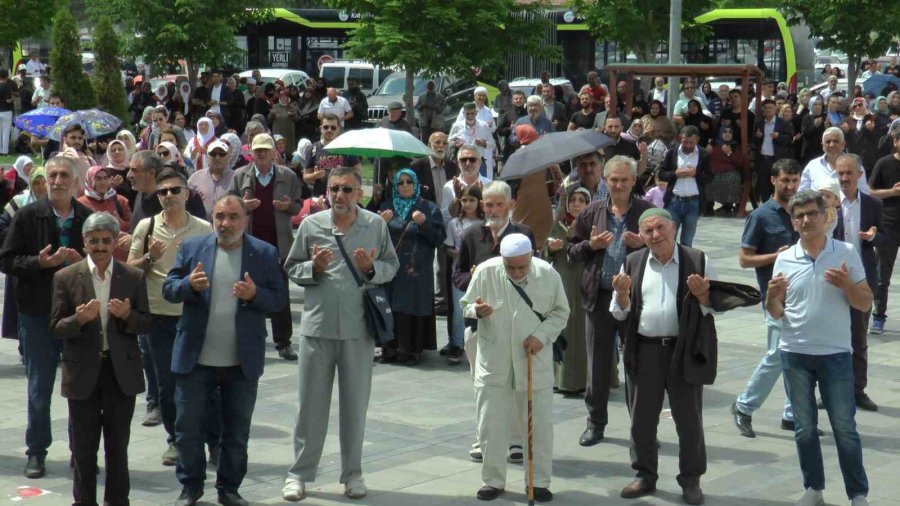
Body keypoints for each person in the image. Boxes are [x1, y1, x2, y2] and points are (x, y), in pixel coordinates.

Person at [282, 167, 400, 502]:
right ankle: (299, 474)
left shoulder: (375, 225)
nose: (340, 195)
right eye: (334, 188)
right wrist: (313, 268)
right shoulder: (311, 225)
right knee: (309, 407)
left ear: (359, 193)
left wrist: (370, 269)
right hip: (317, 328)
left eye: (347, 189)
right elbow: (291, 267)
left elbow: (391, 266)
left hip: (358, 329)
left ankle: (352, 474)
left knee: (354, 407)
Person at [162, 195, 287, 506]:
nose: (225, 223)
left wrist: (255, 294)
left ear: (245, 219)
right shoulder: (193, 248)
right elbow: (169, 289)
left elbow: (278, 300)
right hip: (196, 360)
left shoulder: (264, 253)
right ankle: (191, 487)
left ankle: (229, 489)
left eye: (233, 217)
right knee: (188, 429)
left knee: (236, 433)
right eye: (219, 217)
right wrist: (188, 284)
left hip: (240, 362)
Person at [766, 190, 871, 506]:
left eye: (812, 213)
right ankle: (813, 489)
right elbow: (776, 311)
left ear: (825, 217)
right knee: (804, 428)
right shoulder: (784, 258)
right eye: (799, 215)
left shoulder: (845, 252)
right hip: (794, 352)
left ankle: (857, 494)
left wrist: (847, 285)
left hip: (835, 354)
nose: (806, 220)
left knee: (844, 427)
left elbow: (865, 302)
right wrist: (771, 297)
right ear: (793, 222)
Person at [611, 208, 716, 505]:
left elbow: (715, 307)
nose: (655, 235)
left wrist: (703, 295)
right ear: (641, 236)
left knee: (689, 419)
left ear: (673, 228)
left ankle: (691, 479)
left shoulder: (698, 260)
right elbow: (619, 312)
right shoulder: (633, 262)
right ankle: (645, 474)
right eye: (648, 231)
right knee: (642, 418)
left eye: (660, 228)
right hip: (645, 350)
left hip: (683, 350)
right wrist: (622, 296)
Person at [50, 212, 151, 506]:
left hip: (120, 373)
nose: (100, 247)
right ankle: (84, 501)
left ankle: (117, 500)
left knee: (118, 447)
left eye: (106, 241)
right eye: (93, 241)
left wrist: (128, 316)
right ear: (84, 243)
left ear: (115, 242)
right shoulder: (66, 277)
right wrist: (78, 320)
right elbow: (55, 327)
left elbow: (146, 323)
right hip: (83, 372)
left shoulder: (133, 276)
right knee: (83, 449)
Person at [0, 156, 92, 478]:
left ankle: (80, 452)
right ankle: (36, 452)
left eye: (64, 175)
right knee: (39, 388)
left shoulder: (87, 217)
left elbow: (103, 262)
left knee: (80, 388)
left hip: (78, 314)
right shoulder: (28, 215)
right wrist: (39, 263)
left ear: (76, 181)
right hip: (38, 314)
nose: (57, 181)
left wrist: (83, 262)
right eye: (52, 175)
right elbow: (7, 260)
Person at [459, 233, 569, 502]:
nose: (517, 272)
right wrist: (476, 311)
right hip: (494, 361)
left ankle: (538, 482)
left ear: (531, 257)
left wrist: (541, 335)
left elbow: (561, 312)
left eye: (522, 266)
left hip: (532, 358)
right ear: (502, 260)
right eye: (511, 267)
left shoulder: (548, 274)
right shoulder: (486, 271)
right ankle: (493, 480)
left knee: (538, 426)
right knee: (490, 424)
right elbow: (465, 305)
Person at [128, 168, 214, 467]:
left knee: (201, 381)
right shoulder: (147, 226)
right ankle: (176, 440)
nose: (169, 196)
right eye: (163, 192)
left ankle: (209, 440)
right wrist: (150, 256)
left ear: (187, 194)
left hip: (194, 313)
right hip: (158, 315)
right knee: (167, 384)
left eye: (175, 190)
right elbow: (131, 269)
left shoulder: (204, 228)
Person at [568, 156, 654, 446]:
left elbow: (667, 249)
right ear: (605, 181)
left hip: (635, 299)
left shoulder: (647, 212)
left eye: (624, 180)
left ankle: (642, 429)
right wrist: (591, 245)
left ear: (633, 181)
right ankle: (595, 423)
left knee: (636, 365)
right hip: (600, 296)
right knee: (597, 364)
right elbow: (571, 250)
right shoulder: (592, 211)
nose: (618, 185)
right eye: (613, 179)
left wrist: (644, 244)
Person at [453, 180, 535, 463]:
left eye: (499, 204)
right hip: (480, 324)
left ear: (511, 205)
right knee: (482, 385)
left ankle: (515, 441)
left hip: (514, 325)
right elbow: (458, 275)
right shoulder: (471, 234)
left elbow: (533, 274)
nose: (493, 210)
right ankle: (483, 438)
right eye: (488, 204)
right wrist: (474, 278)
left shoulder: (523, 234)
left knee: (515, 383)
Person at [730, 159, 801, 438]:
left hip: (802, 298)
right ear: (773, 181)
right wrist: (776, 256)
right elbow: (744, 259)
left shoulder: (802, 212)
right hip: (774, 299)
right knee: (777, 355)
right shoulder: (760, 216)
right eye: (785, 180)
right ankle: (743, 406)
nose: (790, 186)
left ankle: (792, 415)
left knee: (798, 356)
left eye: (794, 180)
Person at [229, 133, 305, 361]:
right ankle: (248, 340)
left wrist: (288, 206)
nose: (261, 153)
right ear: (251, 153)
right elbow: (229, 206)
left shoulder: (288, 176)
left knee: (280, 296)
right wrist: (242, 205)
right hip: (249, 246)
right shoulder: (240, 175)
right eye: (257, 150)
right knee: (246, 295)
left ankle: (284, 342)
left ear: (274, 152)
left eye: (265, 150)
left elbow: (298, 205)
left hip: (278, 247)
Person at [376, 169, 445, 364]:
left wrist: (424, 223)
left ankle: (411, 349)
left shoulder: (428, 208)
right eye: (400, 182)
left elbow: (439, 238)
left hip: (416, 269)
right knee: (390, 306)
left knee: (411, 306)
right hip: (391, 267)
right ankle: (389, 348)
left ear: (416, 184)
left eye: (409, 182)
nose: (405, 186)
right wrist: (380, 223)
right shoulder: (386, 206)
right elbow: (372, 237)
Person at [834, 154, 882, 412]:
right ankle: (830, 390)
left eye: (848, 173)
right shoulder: (828, 203)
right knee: (832, 338)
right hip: (832, 279)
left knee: (858, 338)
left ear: (859, 175)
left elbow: (884, 236)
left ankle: (857, 390)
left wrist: (873, 236)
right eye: (840, 173)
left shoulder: (872, 204)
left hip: (861, 279)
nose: (844, 178)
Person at [545, 187, 591, 393]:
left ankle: (584, 379)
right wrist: (550, 249)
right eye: (573, 200)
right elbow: (542, 255)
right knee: (562, 327)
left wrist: (577, 240)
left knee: (583, 330)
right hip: (562, 281)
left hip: (585, 282)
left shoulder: (592, 226)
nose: (576, 204)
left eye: (582, 200)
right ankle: (561, 379)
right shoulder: (557, 226)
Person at [444, 184, 484, 364]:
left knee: (480, 307)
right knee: (460, 308)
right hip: (460, 273)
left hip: (480, 272)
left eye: (472, 200)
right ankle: (458, 344)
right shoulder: (455, 223)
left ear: (479, 202)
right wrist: (460, 254)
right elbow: (447, 247)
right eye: (464, 200)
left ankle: (480, 343)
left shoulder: (484, 223)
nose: (468, 204)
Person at [658, 126, 712, 246]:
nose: (687, 145)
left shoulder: (703, 154)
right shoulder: (672, 152)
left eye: (691, 143)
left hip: (693, 202)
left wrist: (696, 174)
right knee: (669, 239)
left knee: (687, 242)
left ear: (697, 140)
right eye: (685, 142)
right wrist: (675, 174)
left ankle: (685, 258)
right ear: (680, 138)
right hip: (674, 201)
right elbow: (661, 174)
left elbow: (710, 177)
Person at [868, 128, 900, 334]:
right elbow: (870, 191)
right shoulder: (884, 163)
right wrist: (892, 192)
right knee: (882, 276)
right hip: (889, 224)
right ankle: (879, 316)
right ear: (895, 141)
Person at [77, 165, 133, 261]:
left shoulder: (120, 201)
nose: (102, 182)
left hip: (119, 257)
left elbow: (133, 228)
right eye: (98, 179)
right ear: (90, 180)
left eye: (105, 178)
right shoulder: (80, 203)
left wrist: (120, 222)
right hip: (94, 256)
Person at [304, 113, 362, 197]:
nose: (329, 130)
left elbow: (358, 172)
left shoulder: (346, 148)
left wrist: (345, 175)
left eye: (333, 128)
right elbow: (305, 178)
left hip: (342, 197)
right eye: (326, 127)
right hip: (320, 197)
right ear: (321, 129)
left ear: (338, 129)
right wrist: (315, 175)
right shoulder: (312, 149)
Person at [800, 127, 869, 193]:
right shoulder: (812, 166)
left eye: (836, 141)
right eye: (828, 142)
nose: (832, 145)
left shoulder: (856, 166)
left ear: (843, 144)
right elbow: (802, 194)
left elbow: (864, 194)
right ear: (822, 145)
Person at [754, 99, 795, 203]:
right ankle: (766, 206)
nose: (768, 110)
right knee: (764, 185)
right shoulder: (759, 124)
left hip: (776, 159)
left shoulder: (782, 123)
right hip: (763, 159)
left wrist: (778, 136)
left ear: (775, 109)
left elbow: (790, 139)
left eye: (770, 108)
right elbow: (754, 141)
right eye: (766, 108)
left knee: (777, 184)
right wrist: (757, 136)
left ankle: (778, 205)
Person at [188, 140, 236, 220]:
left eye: (222, 154)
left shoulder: (237, 178)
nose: (217, 157)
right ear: (207, 156)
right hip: (201, 225)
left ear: (228, 156)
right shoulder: (195, 177)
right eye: (213, 154)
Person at [707, 126, 749, 215]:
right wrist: (706, 151)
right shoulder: (713, 145)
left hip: (730, 171)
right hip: (715, 171)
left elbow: (741, 162)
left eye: (730, 132)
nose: (727, 134)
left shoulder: (735, 146)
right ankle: (708, 206)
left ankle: (728, 206)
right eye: (725, 131)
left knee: (732, 178)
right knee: (709, 178)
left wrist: (729, 153)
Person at [449, 102, 496, 179]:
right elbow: (449, 142)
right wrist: (455, 144)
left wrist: (483, 143)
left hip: (479, 162)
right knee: (463, 184)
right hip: (463, 162)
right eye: (467, 114)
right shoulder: (457, 126)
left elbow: (492, 144)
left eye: (472, 113)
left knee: (481, 184)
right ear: (463, 114)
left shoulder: (483, 125)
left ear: (476, 113)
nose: (470, 116)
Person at [269, 89, 298, 154]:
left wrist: (292, 115)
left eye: (285, 97)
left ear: (288, 97)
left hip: (289, 132)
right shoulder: (275, 106)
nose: (283, 98)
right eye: (282, 97)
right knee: (278, 149)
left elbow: (297, 119)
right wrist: (272, 115)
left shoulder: (291, 106)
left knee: (288, 149)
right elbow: (269, 119)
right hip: (278, 131)